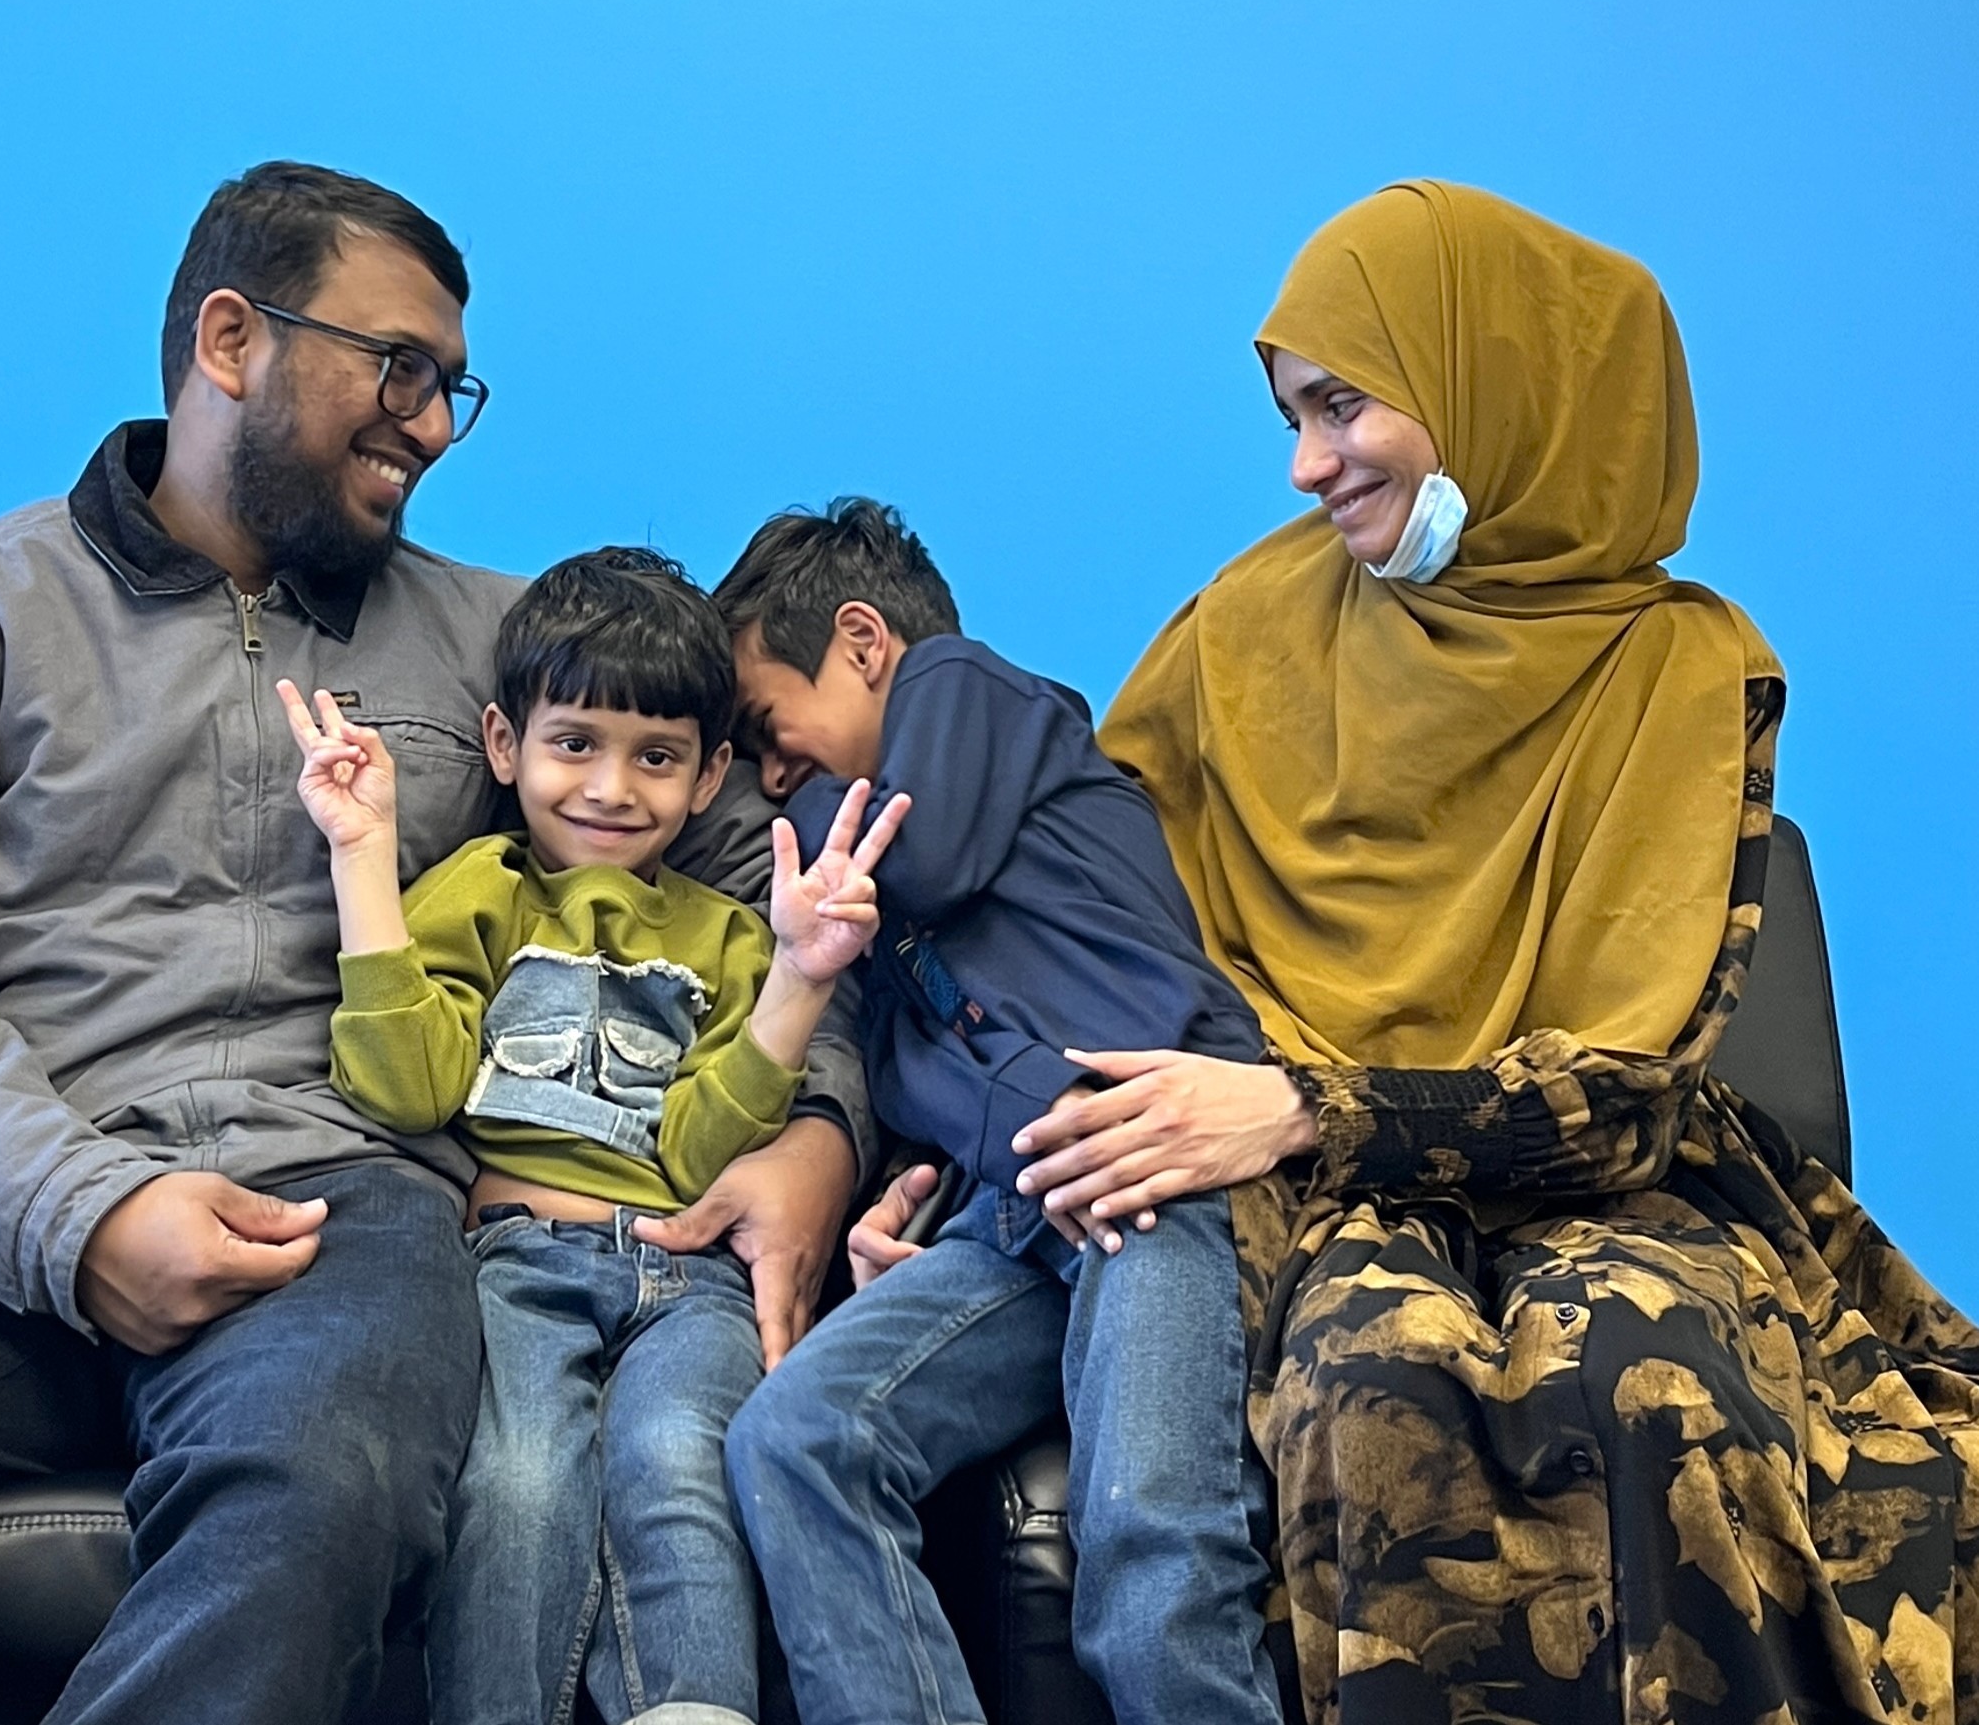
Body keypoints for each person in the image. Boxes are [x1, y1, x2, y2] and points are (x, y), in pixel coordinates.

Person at [0, 162, 870, 1725]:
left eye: (449, 387)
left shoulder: (506, 642)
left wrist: (817, 1128)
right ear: (232, 339)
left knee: (315, 1497)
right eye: (397, 368)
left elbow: (768, 890)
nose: (428, 422)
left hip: (343, 1209)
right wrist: (79, 1210)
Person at [859, 179, 1979, 1722]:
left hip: (1593, 1168)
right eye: (1288, 417)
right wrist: (958, 1159)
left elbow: (1631, 1085)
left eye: (1341, 407)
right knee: (1366, 1381)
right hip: (1297, 1186)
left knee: (1651, 1379)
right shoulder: (1244, 624)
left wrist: (1321, 1105)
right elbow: (1072, 930)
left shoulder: (1678, 664)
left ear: (1492, 387)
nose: (1306, 465)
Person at [274, 547, 908, 1725]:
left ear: (711, 774)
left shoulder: (726, 935)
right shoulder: (478, 892)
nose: (612, 788)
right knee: (516, 1482)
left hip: (692, 1272)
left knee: (678, 1455)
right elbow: (408, 1084)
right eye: (575, 744)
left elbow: (699, 1147)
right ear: (505, 746)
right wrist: (362, 858)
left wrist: (800, 980)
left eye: (656, 756)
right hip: (516, 1261)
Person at [713, 499, 1284, 1724]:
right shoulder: (873, 935)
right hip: (1014, 1211)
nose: (772, 777)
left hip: (1152, 1159)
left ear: (864, 644)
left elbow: (913, 857)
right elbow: (924, 1061)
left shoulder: (964, 691)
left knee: (1146, 1544)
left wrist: (766, 831)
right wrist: (897, 1196)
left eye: (768, 728)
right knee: (793, 1439)